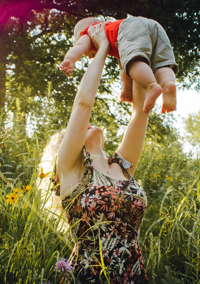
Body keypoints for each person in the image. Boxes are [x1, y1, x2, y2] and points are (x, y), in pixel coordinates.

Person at [45, 23, 149, 283]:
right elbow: (83, 103)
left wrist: (126, 49)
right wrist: (102, 46)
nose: (87, 124)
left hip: (132, 276)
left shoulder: (122, 166)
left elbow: (141, 112)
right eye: (83, 127)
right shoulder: (71, 170)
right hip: (90, 276)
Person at [59, 16, 178, 114]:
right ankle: (168, 84)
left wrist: (70, 59)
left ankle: (151, 86)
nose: (89, 56)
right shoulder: (115, 36)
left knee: (134, 63)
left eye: (87, 54)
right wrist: (126, 89)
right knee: (161, 64)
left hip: (131, 26)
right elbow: (124, 68)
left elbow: (79, 46)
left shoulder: (90, 32)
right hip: (154, 26)